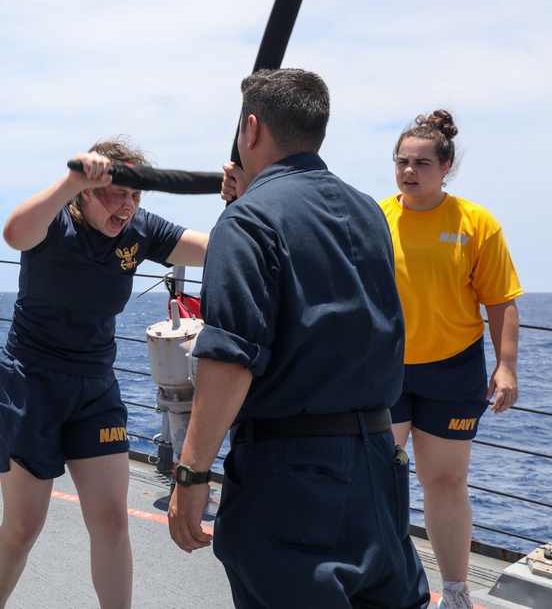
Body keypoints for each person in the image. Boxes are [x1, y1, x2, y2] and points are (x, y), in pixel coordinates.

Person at [168, 68, 430, 609]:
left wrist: (192, 474)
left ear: (252, 129)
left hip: (293, 480)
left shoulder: (249, 221)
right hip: (380, 466)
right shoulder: (368, 212)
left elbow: (230, 359)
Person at [0, 139, 209, 609]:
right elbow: (14, 233)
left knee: (111, 521)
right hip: (32, 382)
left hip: (95, 387)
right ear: (84, 194)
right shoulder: (55, 224)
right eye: (115, 193)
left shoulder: (140, 231)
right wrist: (71, 178)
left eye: (136, 195)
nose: (127, 206)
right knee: (22, 529)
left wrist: (245, 193)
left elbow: (212, 250)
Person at [380, 110, 522, 609]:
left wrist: (505, 366)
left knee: (444, 481)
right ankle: (383, 581)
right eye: (402, 161)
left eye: (421, 162)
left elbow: (501, 301)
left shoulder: (475, 223)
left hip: (452, 368)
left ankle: (456, 592)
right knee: (380, 476)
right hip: (385, 369)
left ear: (446, 167)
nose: (409, 171)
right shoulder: (375, 218)